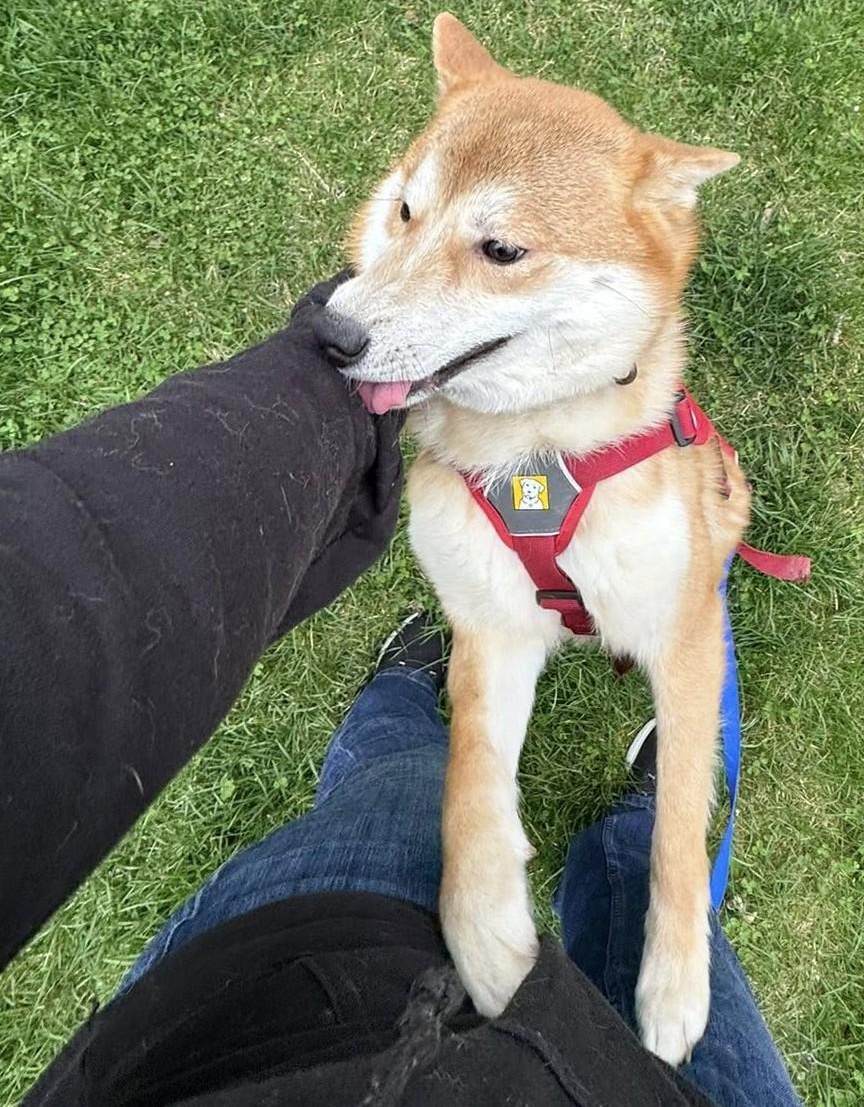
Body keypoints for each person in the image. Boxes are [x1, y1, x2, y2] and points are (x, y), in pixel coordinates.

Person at [0, 274, 802, 1106]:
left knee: (400, 783)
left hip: (267, 1011)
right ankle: (629, 836)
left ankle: (404, 709)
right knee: (488, 738)